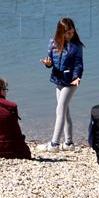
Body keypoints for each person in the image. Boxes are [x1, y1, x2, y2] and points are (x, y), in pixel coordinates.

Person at [37, 17, 84, 152]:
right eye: (68, 33)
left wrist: (77, 77)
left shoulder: (77, 46)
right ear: (60, 32)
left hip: (71, 81)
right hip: (58, 79)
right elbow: (51, 61)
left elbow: (79, 64)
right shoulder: (52, 43)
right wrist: (48, 64)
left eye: (72, 32)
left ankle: (54, 144)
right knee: (65, 111)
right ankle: (69, 143)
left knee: (60, 109)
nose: (71, 35)